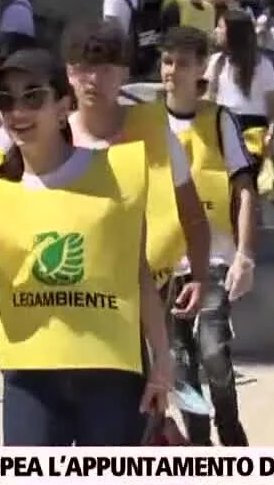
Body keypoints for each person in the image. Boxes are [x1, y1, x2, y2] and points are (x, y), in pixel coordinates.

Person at [0, 47, 171, 485]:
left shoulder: (118, 171)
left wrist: (162, 362)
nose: (18, 111)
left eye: (33, 97)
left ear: (64, 104)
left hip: (112, 375)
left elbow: (137, 273)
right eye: (5, 99)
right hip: (31, 377)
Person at [57, 19, 210, 310]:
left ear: (124, 74)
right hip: (73, 299)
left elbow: (193, 216)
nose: (93, 80)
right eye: (83, 68)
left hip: (146, 293)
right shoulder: (55, 139)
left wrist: (199, 277)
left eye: (104, 70)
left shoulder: (155, 134)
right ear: (69, 73)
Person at [157, 26, 257, 447]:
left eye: (182, 63)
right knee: (179, 360)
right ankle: (199, 442)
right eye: (166, 61)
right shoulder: (146, 124)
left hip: (215, 256)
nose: (172, 71)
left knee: (213, 350)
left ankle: (229, 422)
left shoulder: (219, 119)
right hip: (164, 261)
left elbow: (244, 188)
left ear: (201, 68)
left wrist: (245, 255)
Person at [206, 9, 274, 168]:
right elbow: (207, 98)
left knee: (248, 182)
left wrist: (271, 134)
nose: (215, 31)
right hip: (222, 125)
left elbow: (273, 107)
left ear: (233, 33)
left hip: (252, 131)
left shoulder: (262, 64)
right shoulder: (215, 62)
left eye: (220, 27)